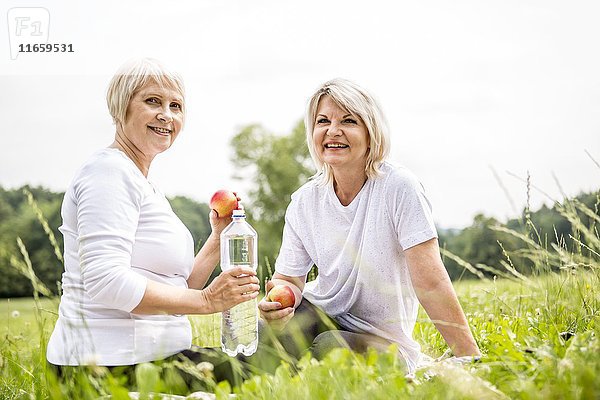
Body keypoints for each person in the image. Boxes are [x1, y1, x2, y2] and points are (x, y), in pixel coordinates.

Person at [46, 58, 260, 380]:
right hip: (106, 366)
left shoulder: (143, 183)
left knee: (271, 352)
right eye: (153, 101)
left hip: (155, 358)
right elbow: (106, 283)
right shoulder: (108, 171)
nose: (167, 115)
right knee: (269, 366)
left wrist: (218, 238)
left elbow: (177, 290)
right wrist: (207, 301)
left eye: (176, 106)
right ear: (121, 108)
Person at [258, 78, 481, 374]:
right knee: (270, 332)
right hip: (322, 313)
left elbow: (431, 281)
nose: (332, 130)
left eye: (348, 121)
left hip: (382, 340)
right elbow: (289, 281)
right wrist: (278, 305)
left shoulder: (399, 187)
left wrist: (469, 356)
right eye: (322, 121)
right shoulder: (304, 201)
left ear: (370, 132)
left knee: (329, 346)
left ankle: (298, 371)